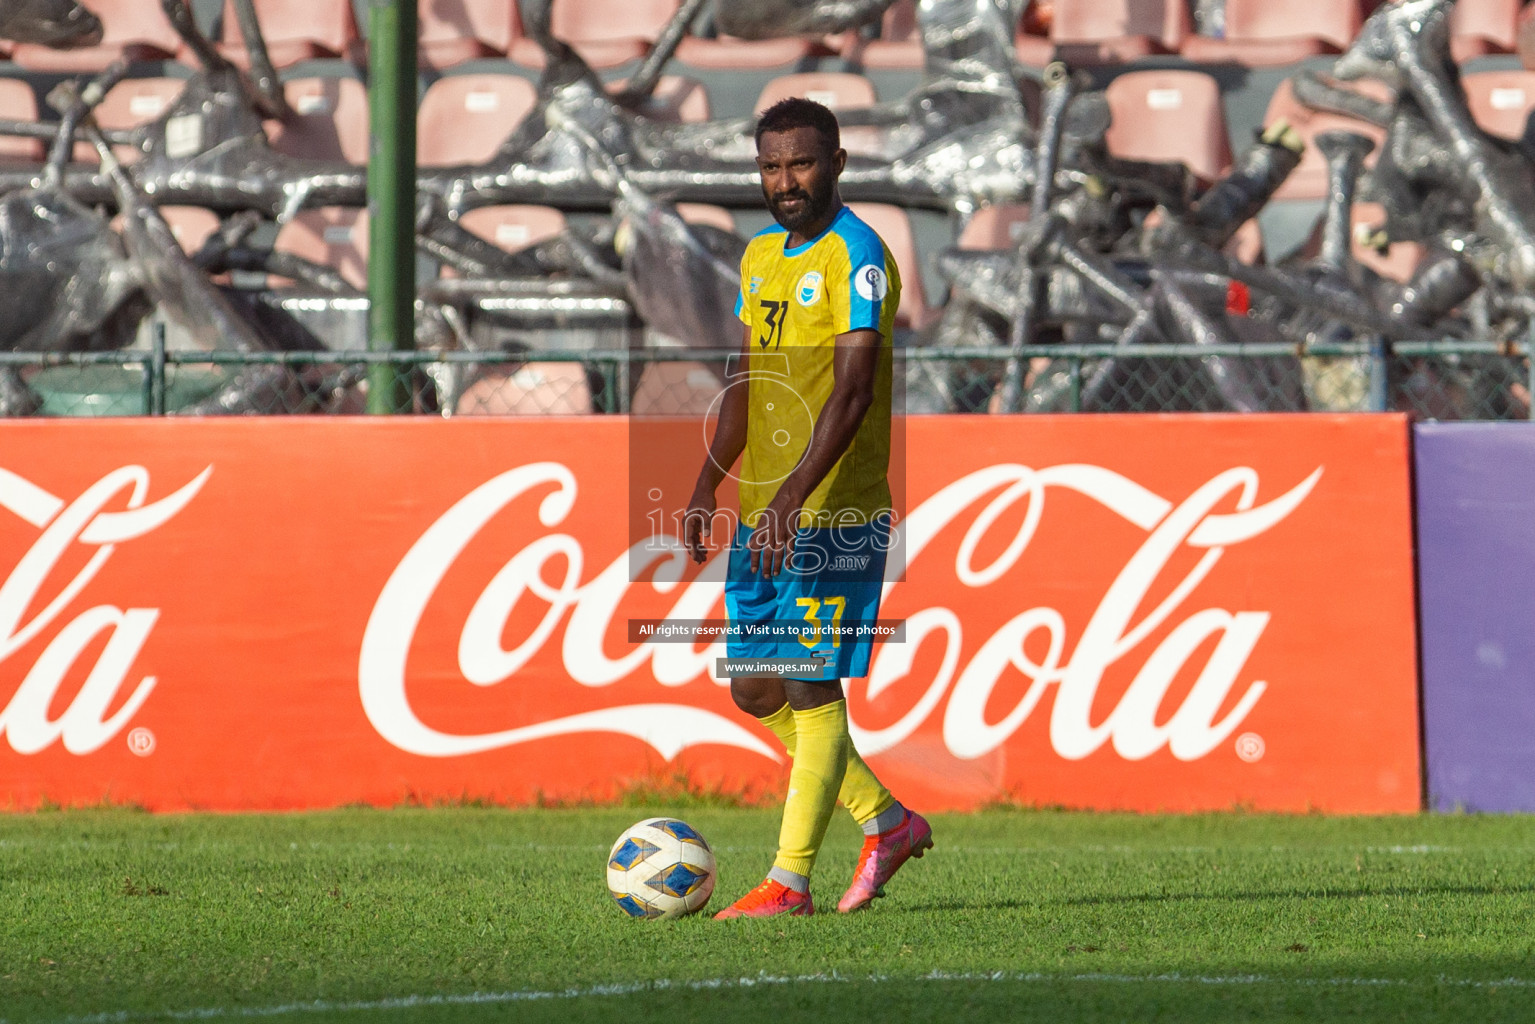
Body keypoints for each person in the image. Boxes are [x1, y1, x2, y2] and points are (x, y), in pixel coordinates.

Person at [685, 97, 932, 919]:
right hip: (766, 513)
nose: (784, 182)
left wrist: (795, 493)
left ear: (836, 162)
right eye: (770, 167)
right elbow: (744, 385)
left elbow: (855, 389)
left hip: (834, 513)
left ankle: (788, 882)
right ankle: (886, 822)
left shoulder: (858, 254)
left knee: (809, 684)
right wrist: (705, 482)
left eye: (800, 163)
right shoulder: (759, 258)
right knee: (754, 689)